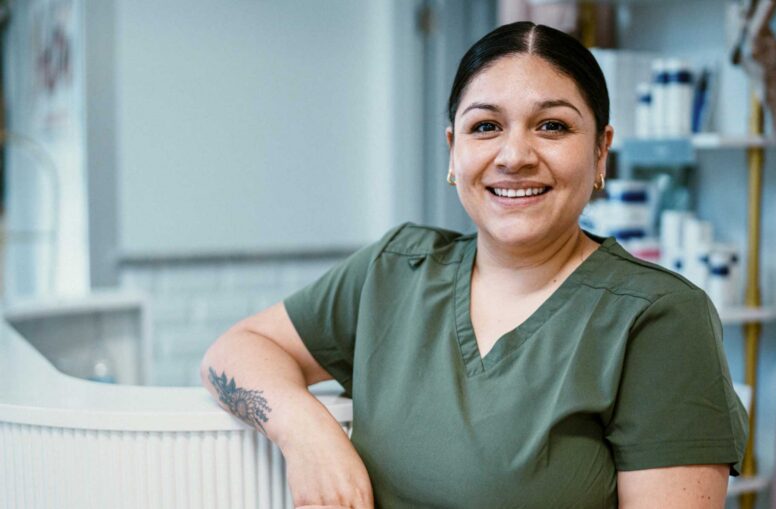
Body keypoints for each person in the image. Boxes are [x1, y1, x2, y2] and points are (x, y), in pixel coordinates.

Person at [201, 21, 748, 509]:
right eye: (485, 126)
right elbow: (236, 350)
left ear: (601, 151)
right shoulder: (394, 271)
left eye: (552, 126)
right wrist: (308, 434)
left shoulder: (659, 319)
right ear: (452, 150)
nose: (514, 156)